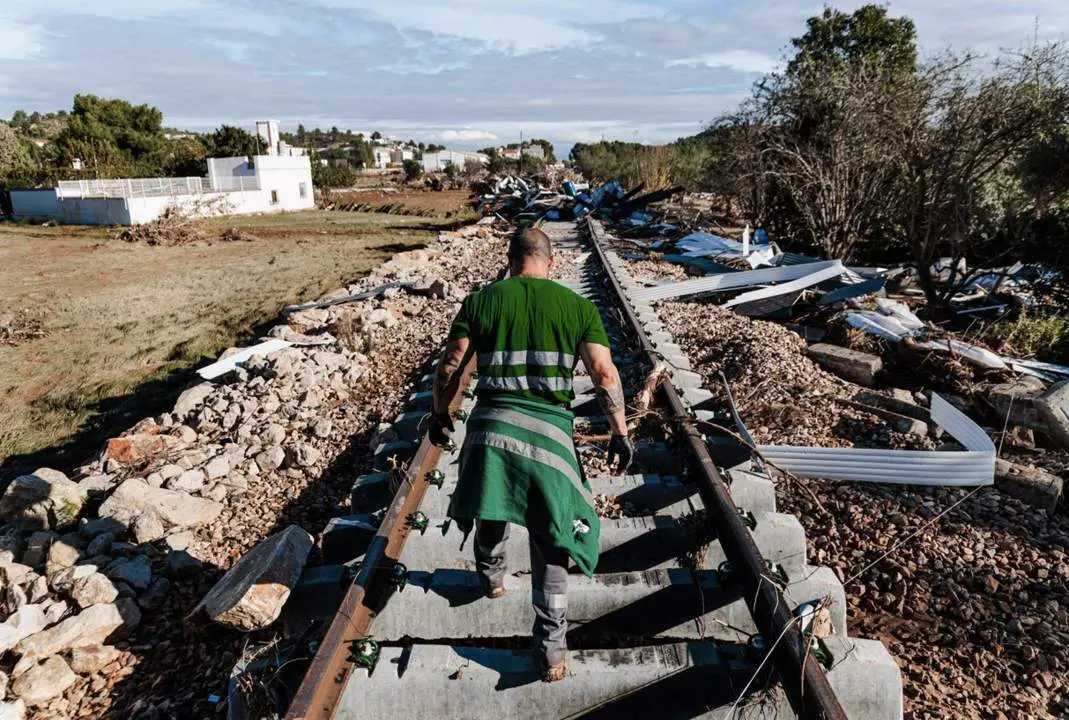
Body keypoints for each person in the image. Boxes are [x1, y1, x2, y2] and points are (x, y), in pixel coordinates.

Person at [430, 226, 633, 682]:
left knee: (491, 506)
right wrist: (619, 430)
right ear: (551, 262)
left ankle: (492, 577)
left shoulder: (481, 302)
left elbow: (450, 367)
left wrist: (439, 414)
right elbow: (604, 373)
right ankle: (551, 651)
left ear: (510, 259)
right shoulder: (578, 308)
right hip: (549, 437)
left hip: (489, 430)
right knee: (552, 541)